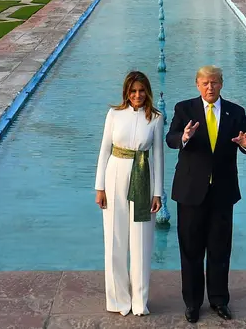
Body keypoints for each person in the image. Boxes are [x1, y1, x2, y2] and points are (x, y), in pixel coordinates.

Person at [166, 65, 246, 323]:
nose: (210, 87)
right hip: (190, 192)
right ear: (197, 84)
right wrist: (183, 137)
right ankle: (192, 304)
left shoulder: (235, 112)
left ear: (221, 84)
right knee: (191, 251)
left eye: (215, 82)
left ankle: (219, 300)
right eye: (205, 83)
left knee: (219, 250)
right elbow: (170, 138)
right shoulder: (184, 109)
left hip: (222, 193)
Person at [94, 70, 165, 316]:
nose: (137, 95)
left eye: (141, 90)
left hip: (143, 176)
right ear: (126, 92)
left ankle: (139, 302)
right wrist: (99, 187)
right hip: (115, 175)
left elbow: (158, 156)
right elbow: (104, 150)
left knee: (141, 242)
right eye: (133, 91)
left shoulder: (156, 117)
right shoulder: (114, 114)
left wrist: (158, 193)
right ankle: (117, 300)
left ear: (148, 92)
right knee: (115, 239)